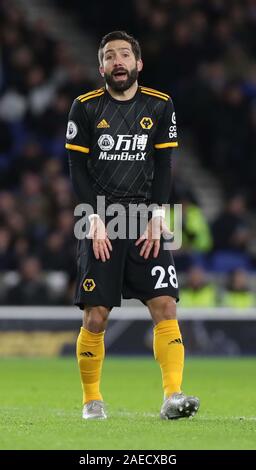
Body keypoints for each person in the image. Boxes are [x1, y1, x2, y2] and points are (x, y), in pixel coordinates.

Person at [65, 31, 199, 420]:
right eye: (110, 56)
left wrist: (158, 216)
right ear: (101, 66)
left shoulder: (160, 106)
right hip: (101, 219)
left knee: (165, 305)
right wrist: (92, 219)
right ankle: (92, 399)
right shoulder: (85, 107)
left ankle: (173, 396)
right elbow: (76, 169)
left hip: (144, 220)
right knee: (96, 315)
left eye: (125, 54)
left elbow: (164, 166)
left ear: (138, 64)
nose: (118, 61)